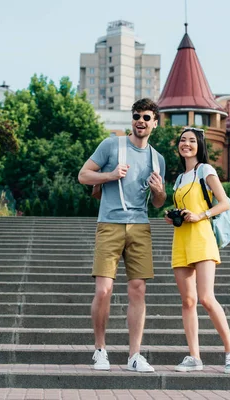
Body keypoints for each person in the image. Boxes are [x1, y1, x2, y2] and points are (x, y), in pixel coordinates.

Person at [78, 98, 166, 373]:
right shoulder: (111, 145)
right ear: (132, 119)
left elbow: (158, 204)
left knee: (138, 290)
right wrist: (111, 174)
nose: (141, 121)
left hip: (140, 226)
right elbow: (83, 175)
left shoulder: (157, 158)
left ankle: (134, 356)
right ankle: (100, 350)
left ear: (155, 123)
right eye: (137, 116)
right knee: (103, 289)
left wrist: (160, 191)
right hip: (110, 224)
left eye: (147, 117)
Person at [164, 127, 230, 374]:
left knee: (206, 298)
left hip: (202, 237)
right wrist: (172, 216)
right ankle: (194, 357)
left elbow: (224, 203)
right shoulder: (178, 178)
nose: (186, 144)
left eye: (191, 140)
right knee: (188, 301)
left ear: (199, 145)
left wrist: (201, 215)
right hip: (181, 239)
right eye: (182, 140)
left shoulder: (205, 170)